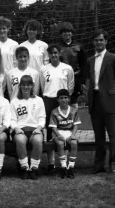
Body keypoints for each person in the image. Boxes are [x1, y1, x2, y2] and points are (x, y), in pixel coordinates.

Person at [85, 29, 115, 174]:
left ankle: (114, 163)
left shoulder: (114, 58)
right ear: (93, 42)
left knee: (114, 135)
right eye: (96, 40)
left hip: (110, 101)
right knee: (99, 136)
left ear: (106, 41)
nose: (98, 42)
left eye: (101, 40)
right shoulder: (90, 60)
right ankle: (99, 165)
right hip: (95, 101)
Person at [40, 44, 74, 173]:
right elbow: (42, 86)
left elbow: (70, 85)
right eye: (51, 53)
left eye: (55, 52)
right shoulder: (43, 69)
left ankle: (63, 162)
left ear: (59, 53)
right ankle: (51, 163)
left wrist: (64, 99)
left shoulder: (67, 68)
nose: (53, 55)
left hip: (62, 101)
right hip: (49, 100)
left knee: (64, 130)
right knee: (50, 132)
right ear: (48, 55)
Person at [10, 75, 46, 180]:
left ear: (32, 86)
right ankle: (24, 167)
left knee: (38, 140)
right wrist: (16, 128)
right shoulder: (14, 101)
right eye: (23, 85)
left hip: (35, 129)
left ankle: (34, 168)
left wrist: (39, 128)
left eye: (28, 85)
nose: (26, 87)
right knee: (20, 140)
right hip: (20, 129)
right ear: (20, 86)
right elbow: (12, 119)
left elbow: (42, 117)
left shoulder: (39, 100)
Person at [49, 89, 81, 179]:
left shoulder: (73, 110)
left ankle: (71, 167)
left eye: (65, 98)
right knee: (60, 143)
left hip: (70, 132)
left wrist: (73, 135)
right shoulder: (54, 111)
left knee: (74, 143)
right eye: (61, 98)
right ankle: (63, 167)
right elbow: (53, 127)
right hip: (58, 132)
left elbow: (75, 125)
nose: (63, 100)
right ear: (57, 100)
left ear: (69, 99)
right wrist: (59, 135)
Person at [57, 22, 87, 109]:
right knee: (62, 101)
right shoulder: (57, 47)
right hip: (61, 78)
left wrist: (83, 80)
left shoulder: (79, 47)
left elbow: (84, 64)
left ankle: (74, 121)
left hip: (75, 78)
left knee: (73, 103)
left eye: (69, 31)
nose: (67, 33)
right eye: (64, 32)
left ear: (72, 33)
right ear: (61, 34)